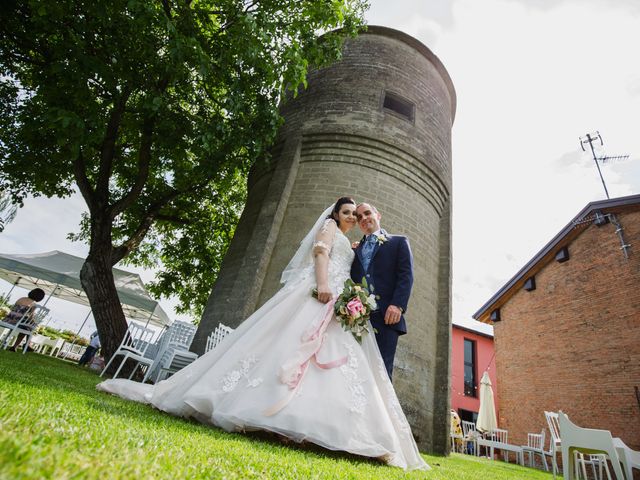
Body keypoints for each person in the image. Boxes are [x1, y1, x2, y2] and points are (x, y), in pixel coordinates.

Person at [97, 197, 428, 471]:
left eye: (359, 214)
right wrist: (325, 284)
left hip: (349, 308)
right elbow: (321, 253)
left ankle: (336, 426)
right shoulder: (330, 229)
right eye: (351, 213)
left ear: (375, 217)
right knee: (290, 343)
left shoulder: (383, 242)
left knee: (341, 361)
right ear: (335, 214)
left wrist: (383, 300)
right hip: (321, 293)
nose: (356, 217)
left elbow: (400, 275)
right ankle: (277, 413)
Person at [350, 203, 414, 380]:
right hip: (359, 320)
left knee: (381, 374)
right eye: (359, 217)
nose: (363, 218)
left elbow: (406, 276)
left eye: (367, 213)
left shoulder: (399, 242)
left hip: (387, 317)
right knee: (355, 371)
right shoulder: (354, 250)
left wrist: (397, 305)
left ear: (378, 215)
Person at [3, 288, 46, 352]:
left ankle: (28, 344)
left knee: (27, 327)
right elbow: (31, 316)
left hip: (8, 319)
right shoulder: (33, 304)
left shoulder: (21, 298)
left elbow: (14, 309)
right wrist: (34, 323)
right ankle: (18, 346)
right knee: (29, 327)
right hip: (16, 322)